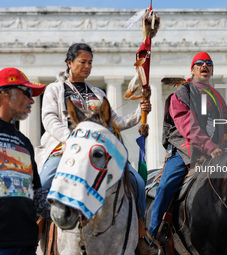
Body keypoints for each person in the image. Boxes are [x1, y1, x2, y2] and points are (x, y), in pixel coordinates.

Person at [35, 43, 154, 254]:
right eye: (83, 62)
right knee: (43, 183)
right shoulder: (55, 89)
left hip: (98, 153)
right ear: (69, 63)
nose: (87, 66)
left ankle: (141, 234)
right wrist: (72, 140)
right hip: (64, 150)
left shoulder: (98, 93)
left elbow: (115, 122)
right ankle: (36, 234)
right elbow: (49, 118)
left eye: (90, 62)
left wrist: (139, 112)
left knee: (136, 182)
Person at [149, 52, 227, 239]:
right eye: (200, 64)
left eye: (208, 64)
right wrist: (209, 146)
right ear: (192, 70)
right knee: (166, 185)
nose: (205, 66)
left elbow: (225, 123)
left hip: (214, 149)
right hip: (186, 150)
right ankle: (154, 233)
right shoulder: (182, 93)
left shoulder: (216, 96)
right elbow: (188, 126)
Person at [0, 67, 49, 255]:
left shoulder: (24, 142)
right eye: (27, 92)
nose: (32, 100)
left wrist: (67, 213)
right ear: (5, 93)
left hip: (27, 244)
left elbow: (36, 193)